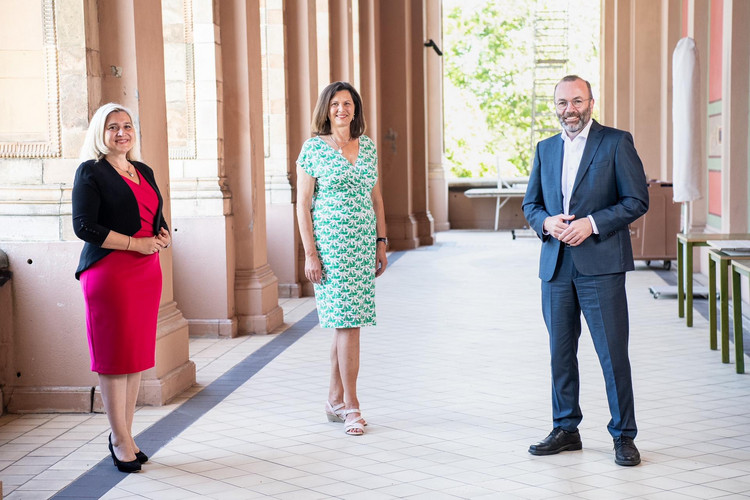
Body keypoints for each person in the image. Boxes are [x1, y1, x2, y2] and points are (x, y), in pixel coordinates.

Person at [522, 75, 649, 466]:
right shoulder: (545, 149)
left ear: (591, 102)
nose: (569, 109)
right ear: (556, 106)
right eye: (562, 103)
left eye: (577, 101)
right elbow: (531, 205)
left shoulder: (615, 142)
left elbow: (637, 199)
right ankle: (566, 429)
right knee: (560, 353)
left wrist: (590, 223)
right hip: (556, 268)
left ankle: (624, 436)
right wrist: (547, 223)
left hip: (601, 266)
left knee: (612, 354)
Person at [72, 103, 171, 472]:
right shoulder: (91, 172)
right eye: (112, 127)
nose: (121, 132)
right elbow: (84, 227)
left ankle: (125, 434)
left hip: (146, 271)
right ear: (101, 132)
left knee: (134, 358)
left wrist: (160, 234)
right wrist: (135, 244)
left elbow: (152, 213)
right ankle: (119, 439)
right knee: (115, 359)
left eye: (127, 126)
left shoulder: (141, 169)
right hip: (110, 273)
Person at [296, 81, 388, 436]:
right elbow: (303, 205)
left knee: (346, 325)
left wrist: (381, 242)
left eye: (347, 103)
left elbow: (376, 199)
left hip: (362, 247)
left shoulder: (366, 146)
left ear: (355, 109)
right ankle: (351, 406)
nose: (341, 109)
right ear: (326, 109)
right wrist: (310, 255)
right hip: (331, 251)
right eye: (335, 104)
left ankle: (335, 399)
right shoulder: (313, 149)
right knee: (348, 325)